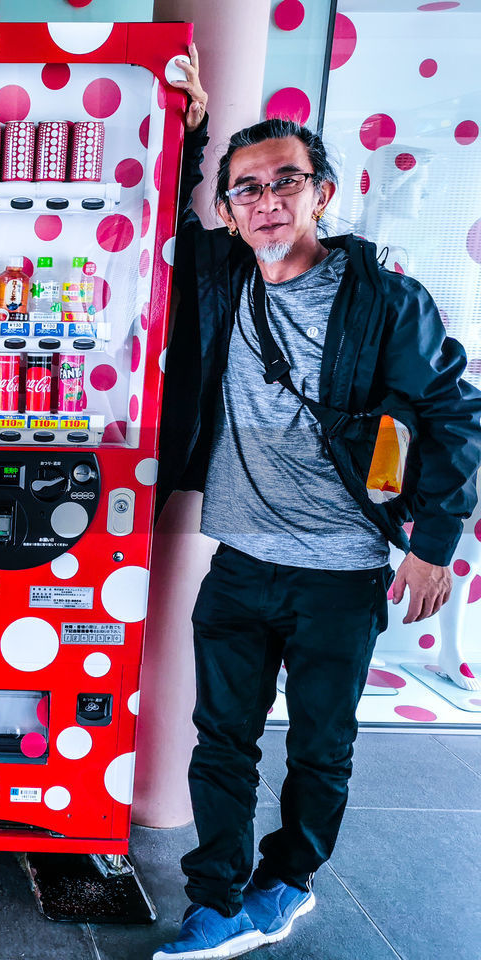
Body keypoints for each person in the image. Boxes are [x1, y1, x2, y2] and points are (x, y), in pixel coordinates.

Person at [153, 44, 481, 960]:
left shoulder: (386, 298)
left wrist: (434, 541)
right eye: (245, 188)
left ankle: (287, 881)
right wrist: (192, 133)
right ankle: (212, 900)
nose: (265, 202)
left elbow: (455, 410)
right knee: (221, 743)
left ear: (321, 192)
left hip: (341, 570)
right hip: (243, 562)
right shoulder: (221, 276)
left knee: (320, 752)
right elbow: (168, 222)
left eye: (284, 182)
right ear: (229, 208)